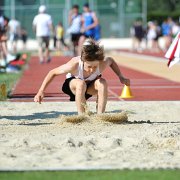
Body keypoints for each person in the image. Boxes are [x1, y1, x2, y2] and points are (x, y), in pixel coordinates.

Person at [34, 38, 130, 114]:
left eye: (95, 66)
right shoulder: (74, 64)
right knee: (80, 84)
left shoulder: (102, 63)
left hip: (89, 87)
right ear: (83, 61)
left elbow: (111, 61)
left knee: (102, 83)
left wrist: (121, 76)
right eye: (89, 66)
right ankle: (82, 116)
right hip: (73, 85)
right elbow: (52, 72)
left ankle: (100, 115)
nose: (92, 70)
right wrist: (41, 91)